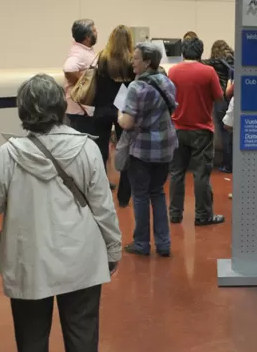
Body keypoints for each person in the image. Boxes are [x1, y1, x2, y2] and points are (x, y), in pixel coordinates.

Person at [0, 73, 122, 352]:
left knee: (31, 342)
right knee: (83, 338)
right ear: (60, 107)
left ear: (24, 110)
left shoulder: (9, 154)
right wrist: (113, 249)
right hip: (81, 259)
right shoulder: (87, 149)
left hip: (29, 262)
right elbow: (104, 208)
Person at [119, 43, 178, 256]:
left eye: (135, 58)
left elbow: (127, 123)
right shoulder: (167, 82)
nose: (132, 62)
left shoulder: (136, 87)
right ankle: (164, 243)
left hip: (142, 149)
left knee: (141, 195)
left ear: (147, 62)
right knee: (158, 193)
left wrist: (119, 115)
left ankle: (142, 244)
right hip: (165, 147)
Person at [168, 37, 226, 226]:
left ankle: (175, 214)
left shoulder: (173, 71)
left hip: (177, 128)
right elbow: (219, 98)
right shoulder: (208, 71)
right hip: (202, 130)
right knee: (201, 174)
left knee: (177, 172)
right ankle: (203, 215)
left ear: (183, 51)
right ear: (201, 52)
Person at [91, 25, 136, 199]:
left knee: (100, 149)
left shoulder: (102, 57)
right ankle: (125, 192)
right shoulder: (131, 60)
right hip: (123, 109)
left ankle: (100, 189)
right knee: (124, 149)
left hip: (102, 108)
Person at [203, 40, 235, 174]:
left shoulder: (214, 62)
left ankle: (228, 164)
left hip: (221, 98)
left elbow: (199, 63)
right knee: (235, 132)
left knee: (225, 133)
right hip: (234, 98)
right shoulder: (235, 59)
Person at [63, 19, 99, 135]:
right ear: (88, 37)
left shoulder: (84, 50)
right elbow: (68, 69)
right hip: (79, 112)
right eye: (94, 30)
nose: (97, 32)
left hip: (82, 111)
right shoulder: (78, 53)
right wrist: (87, 87)